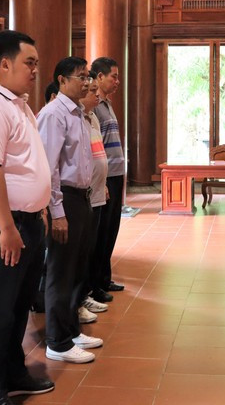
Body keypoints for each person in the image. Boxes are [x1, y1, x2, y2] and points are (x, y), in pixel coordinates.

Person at [0, 30, 54, 404]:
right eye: (29, 63)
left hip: (26, 222)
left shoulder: (18, 104)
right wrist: (6, 227)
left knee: (19, 306)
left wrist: (40, 210)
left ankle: (14, 371)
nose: (36, 70)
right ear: (5, 64)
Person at [38, 57, 103, 364]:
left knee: (77, 268)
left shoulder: (79, 113)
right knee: (60, 271)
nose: (87, 81)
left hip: (81, 197)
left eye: (88, 76)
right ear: (62, 81)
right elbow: (48, 166)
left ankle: (71, 330)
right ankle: (57, 340)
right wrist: (58, 211)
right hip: (64, 198)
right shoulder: (54, 114)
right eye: (80, 77)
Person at [89, 57, 125, 303]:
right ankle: (95, 284)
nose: (117, 81)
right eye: (113, 76)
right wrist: (100, 182)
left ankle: (104, 277)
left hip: (115, 173)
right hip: (105, 177)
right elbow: (94, 146)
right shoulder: (93, 105)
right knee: (100, 232)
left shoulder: (108, 104)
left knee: (111, 229)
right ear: (99, 77)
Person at [78, 71, 110, 322]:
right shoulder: (70, 118)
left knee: (91, 247)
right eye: (91, 91)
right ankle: (78, 299)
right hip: (80, 195)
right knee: (78, 253)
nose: (96, 94)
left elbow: (98, 154)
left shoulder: (91, 119)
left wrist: (104, 183)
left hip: (97, 193)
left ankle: (86, 292)